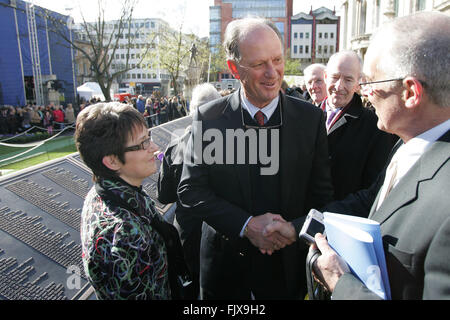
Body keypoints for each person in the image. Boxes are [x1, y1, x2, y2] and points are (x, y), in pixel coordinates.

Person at [264, 11, 450, 300]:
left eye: (371, 81)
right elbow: (367, 203)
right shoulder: (407, 146)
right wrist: (295, 228)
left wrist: (340, 283)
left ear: (411, 92)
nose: (365, 92)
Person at [177, 17, 333, 299]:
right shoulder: (209, 118)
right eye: (260, 64)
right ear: (234, 68)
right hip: (225, 274)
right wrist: (247, 226)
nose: (273, 73)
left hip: (287, 272)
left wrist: (293, 229)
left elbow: (322, 197)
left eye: (277, 59)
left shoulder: (310, 119)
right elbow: (190, 191)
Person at [75, 102, 190, 300]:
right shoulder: (123, 233)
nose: (154, 148)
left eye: (149, 138)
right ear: (112, 161)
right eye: (143, 143)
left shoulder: (109, 192)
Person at [158, 82, 222, 299]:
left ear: (191, 109)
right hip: (220, 234)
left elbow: (164, 195)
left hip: (187, 234)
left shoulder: (175, 145)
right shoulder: (234, 145)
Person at [320, 51, 395, 200]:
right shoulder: (305, 116)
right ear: (326, 77)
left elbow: (372, 188)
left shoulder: (375, 126)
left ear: (358, 84)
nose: (339, 86)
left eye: (348, 80)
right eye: (335, 77)